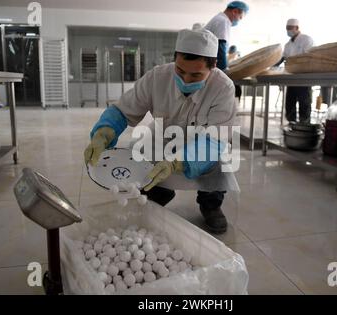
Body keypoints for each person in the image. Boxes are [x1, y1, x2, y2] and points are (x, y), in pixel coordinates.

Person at [84, 29, 237, 234]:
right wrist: (104, 132)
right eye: (180, 71)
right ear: (174, 60)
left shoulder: (223, 88)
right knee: (144, 158)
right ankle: (160, 192)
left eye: (196, 75)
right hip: (164, 138)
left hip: (204, 143)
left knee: (219, 160)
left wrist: (177, 162)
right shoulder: (158, 77)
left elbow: (215, 140)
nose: (186, 80)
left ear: (213, 66)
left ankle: (210, 204)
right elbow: (123, 110)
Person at [275, 18, 314, 123]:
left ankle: (304, 125)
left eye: (290, 28)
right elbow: (282, 58)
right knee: (290, 103)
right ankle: (291, 125)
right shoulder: (287, 45)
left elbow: (309, 56)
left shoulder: (307, 39)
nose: (288, 30)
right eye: (287, 28)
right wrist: (272, 66)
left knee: (304, 102)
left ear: (297, 28)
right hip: (291, 77)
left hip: (304, 77)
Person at [204, 1, 249, 71]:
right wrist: (223, 68)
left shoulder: (219, 19)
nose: (239, 20)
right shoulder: (223, 21)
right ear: (235, 11)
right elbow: (220, 46)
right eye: (240, 17)